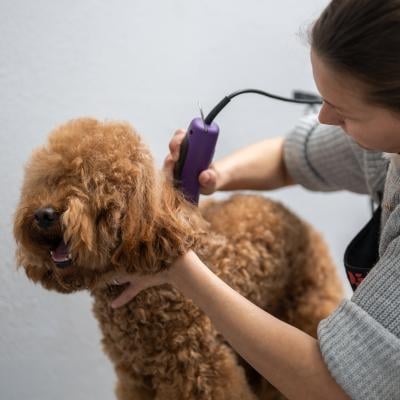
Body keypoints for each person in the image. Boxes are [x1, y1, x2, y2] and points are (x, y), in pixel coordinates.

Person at [110, 1, 400, 399]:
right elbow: (289, 157)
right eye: (324, 99)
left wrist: (180, 269)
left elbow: (334, 387)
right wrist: (215, 176)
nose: (324, 118)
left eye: (345, 112)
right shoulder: (383, 143)